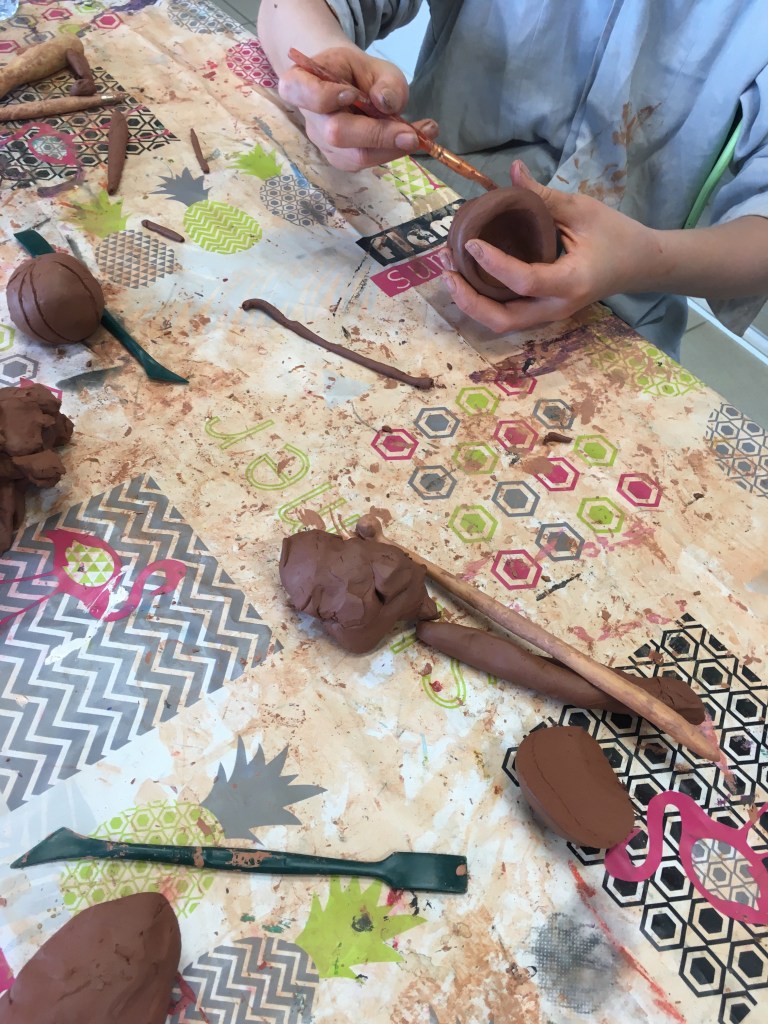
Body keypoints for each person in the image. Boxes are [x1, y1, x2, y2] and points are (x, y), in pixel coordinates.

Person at [258, 0, 768, 359]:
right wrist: (323, 69)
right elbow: (294, 8)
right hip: (408, 222)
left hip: (624, 296)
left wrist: (647, 260)